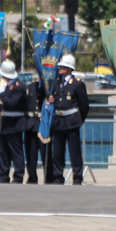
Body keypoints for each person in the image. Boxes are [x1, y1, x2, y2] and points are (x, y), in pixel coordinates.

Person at [47, 54, 89, 185]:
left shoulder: (77, 84)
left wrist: (79, 119)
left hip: (71, 120)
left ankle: (77, 176)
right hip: (58, 120)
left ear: (69, 68)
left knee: (74, 151)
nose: (59, 68)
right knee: (58, 151)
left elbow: (84, 105)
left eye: (63, 66)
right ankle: (58, 176)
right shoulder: (56, 82)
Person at [0, 60, 27, 183]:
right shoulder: (9, 86)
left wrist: (1, 95)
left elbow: (12, 103)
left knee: (16, 151)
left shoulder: (18, 87)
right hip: (6, 122)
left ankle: (18, 176)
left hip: (15, 124)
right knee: (3, 151)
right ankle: (3, 176)